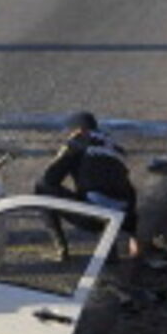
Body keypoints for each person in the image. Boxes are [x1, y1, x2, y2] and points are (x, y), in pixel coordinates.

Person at [37, 111, 142, 259]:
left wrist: (62, 155)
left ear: (78, 130)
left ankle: (61, 248)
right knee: (104, 191)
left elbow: (50, 179)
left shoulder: (76, 143)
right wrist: (133, 234)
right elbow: (130, 191)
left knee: (41, 187)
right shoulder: (115, 148)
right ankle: (110, 248)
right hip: (122, 216)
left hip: (95, 217)